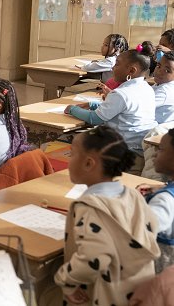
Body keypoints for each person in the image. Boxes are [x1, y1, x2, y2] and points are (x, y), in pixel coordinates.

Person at [54, 126, 159, 305]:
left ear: (88, 163)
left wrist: (66, 279)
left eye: (71, 154)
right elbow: (151, 227)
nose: (68, 160)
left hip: (105, 295)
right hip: (137, 289)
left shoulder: (89, 208)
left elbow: (92, 258)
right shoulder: (132, 194)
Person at [65, 50, 157, 158]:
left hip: (124, 148)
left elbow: (94, 118)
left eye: (117, 64)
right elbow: (124, 110)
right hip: (140, 145)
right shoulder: (147, 88)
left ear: (131, 71)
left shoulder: (120, 93)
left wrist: (71, 109)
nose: (113, 67)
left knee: (77, 141)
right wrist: (93, 105)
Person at [137, 129, 174, 273]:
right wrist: (162, 187)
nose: (154, 154)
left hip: (158, 276)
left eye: (161, 149)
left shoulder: (164, 201)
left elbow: (138, 229)